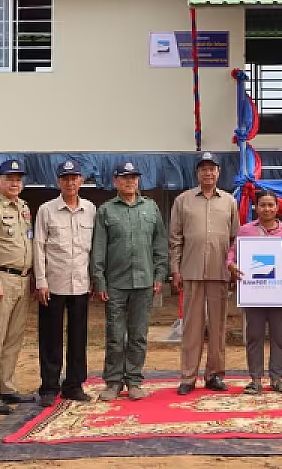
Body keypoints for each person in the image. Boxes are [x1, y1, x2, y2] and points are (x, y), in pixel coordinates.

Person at [91, 161, 169, 401]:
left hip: (144, 282)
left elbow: (160, 245)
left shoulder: (151, 208)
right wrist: (99, 281)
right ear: (115, 181)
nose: (130, 182)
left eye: (133, 178)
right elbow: (99, 249)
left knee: (138, 335)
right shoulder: (106, 210)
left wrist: (159, 276)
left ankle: (134, 380)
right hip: (115, 283)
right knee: (115, 334)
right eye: (124, 178)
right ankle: (113, 382)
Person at [170, 152, 240, 395]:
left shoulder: (230, 201)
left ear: (218, 172)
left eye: (212, 169)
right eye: (203, 169)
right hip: (191, 272)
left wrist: (233, 268)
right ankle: (188, 377)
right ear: (197, 173)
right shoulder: (183, 201)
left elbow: (234, 239)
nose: (208, 173)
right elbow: (175, 239)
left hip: (220, 272)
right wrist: (175, 269)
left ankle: (215, 375)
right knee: (192, 327)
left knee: (219, 327)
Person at [34, 160, 96, 407]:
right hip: (54, 282)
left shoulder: (91, 209)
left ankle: (73, 384)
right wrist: (41, 281)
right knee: (51, 337)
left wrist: (94, 279)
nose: (71, 183)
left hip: (81, 282)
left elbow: (95, 249)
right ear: (58, 182)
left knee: (78, 337)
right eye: (66, 178)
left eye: (75, 178)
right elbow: (38, 245)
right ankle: (49, 387)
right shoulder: (46, 210)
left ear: (81, 181)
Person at [0, 160, 35, 415]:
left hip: (23, 279)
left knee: (14, 337)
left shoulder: (23, 207)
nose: (14, 183)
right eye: (9, 178)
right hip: (2, 278)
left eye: (18, 179)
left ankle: (6, 385)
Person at [227, 190, 282, 395]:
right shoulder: (246, 231)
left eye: (271, 205)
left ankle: (277, 378)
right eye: (262, 205)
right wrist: (231, 265)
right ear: (256, 207)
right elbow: (232, 252)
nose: (267, 209)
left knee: (279, 336)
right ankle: (255, 379)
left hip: (278, 293)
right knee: (254, 336)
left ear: (277, 207)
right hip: (253, 292)